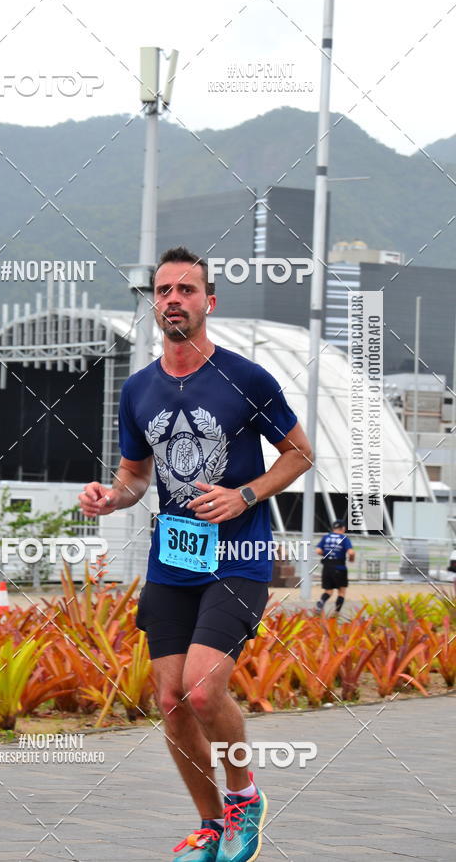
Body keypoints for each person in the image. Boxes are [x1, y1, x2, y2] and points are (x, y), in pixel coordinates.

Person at [79, 248, 312, 862]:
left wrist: (246, 494)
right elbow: (134, 477)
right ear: (153, 303)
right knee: (170, 701)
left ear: (210, 301)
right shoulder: (139, 389)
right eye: (163, 290)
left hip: (238, 556)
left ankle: (244, 799)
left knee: (203, 691)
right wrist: (112, 496)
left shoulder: (247, 379)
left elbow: (299, 454)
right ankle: (210, 826)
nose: (173, 299)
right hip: (172, 562)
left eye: (187, 289)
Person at [315, 520, 355, 616]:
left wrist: (326, 554)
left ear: (333, 528)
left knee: (328, 591)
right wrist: (351, 559)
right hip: (339, 567)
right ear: (343, 528)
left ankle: (321, 602)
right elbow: (351, 552)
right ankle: (336, 613)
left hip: (327, 566)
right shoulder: (344, 538)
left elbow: (318, 550)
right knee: (341, 591)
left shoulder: (326, 537)